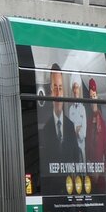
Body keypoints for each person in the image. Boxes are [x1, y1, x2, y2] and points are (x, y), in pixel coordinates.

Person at [39, 63, 81, 194]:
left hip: (71, 192)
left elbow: (76, 160)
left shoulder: (70, 126)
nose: (58, 93)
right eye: (55, 88)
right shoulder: (45, 130)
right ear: (51, 91)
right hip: (51, 192)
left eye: (61, 88)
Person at [85, 78, 106, 193]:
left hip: (100, 177)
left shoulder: (103, 122)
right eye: (90, 97)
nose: (92, 100)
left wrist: (100, 170)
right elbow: (86, 150)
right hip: (89, 176)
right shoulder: (88, 121)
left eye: (94, 96)